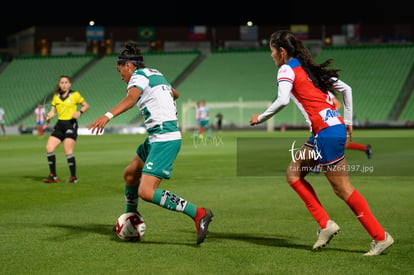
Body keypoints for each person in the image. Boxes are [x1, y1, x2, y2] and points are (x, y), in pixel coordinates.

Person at [249, 30, 393, 256]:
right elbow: (347, 89)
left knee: (343, 189)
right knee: (293, 174)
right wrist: (347, 121)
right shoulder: (309, 68)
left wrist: (261, 117)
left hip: (325, 133)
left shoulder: (286, 69)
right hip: (326, 131)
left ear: (282, 52)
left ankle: (380, 236)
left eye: (272, 51)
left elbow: (283, 100)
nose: (271, 56)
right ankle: (325, 224)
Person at [87, 40, 213, 245]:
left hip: (165, 138)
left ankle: (198, 213)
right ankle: (131, 217)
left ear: (128, 65)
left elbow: (131, 98)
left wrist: (107, 115)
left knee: (146, 191)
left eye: (121, 72)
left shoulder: (137, 76)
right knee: (130, 174)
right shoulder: (154, 73)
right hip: (155, 137)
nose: (122, 77)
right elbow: (176, 94)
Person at [43, 75, 90, 184]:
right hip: (59, 125)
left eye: (66, 82)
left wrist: (80, 112)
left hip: (70, 124)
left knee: (67, 150)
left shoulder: (75, 95)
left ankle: (73, 177)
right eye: (62, 83)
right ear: (59, 84)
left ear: (69, 84)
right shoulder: (56, 96)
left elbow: (86, 105)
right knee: (49, 148)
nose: (64, 85)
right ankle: (53, 176)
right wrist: (49, 116)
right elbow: (53, 111)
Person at [330, 92, 372, 159]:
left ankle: (317, 164)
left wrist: (329, 114)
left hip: (334, 124)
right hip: (330, 124)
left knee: (327, 143)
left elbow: (338, 104)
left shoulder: (326, 93)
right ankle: (366, 148)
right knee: (340, 145)